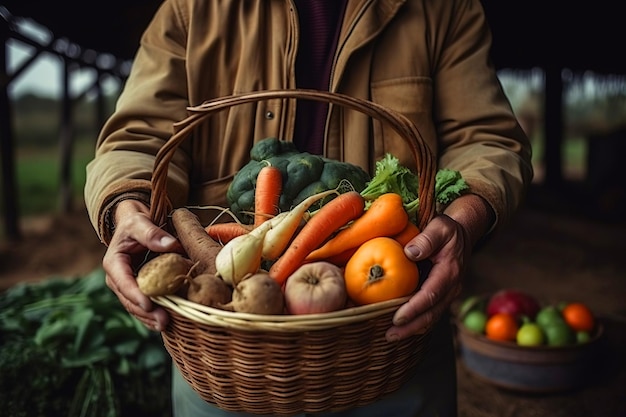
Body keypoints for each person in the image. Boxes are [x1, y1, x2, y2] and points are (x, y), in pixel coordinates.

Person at [84, 0, 533, 416]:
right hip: (229, 352)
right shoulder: (191, 8)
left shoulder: (442, 8)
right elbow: (138, 137)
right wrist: (127, 207)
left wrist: (463, 221)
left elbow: (486, 140)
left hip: (392, 336)